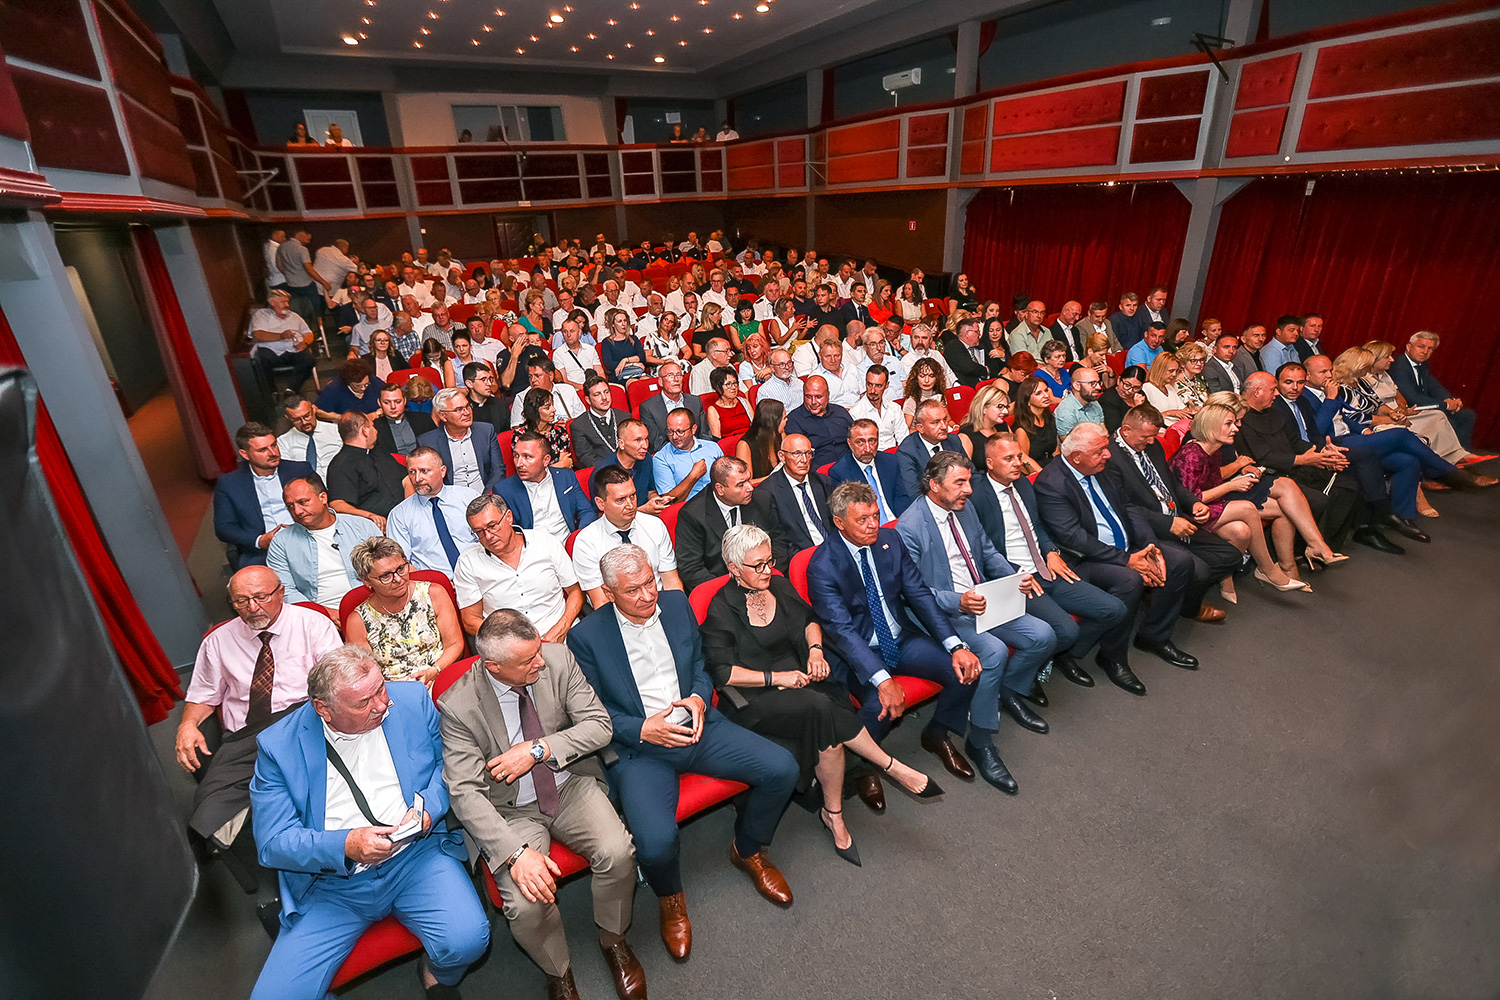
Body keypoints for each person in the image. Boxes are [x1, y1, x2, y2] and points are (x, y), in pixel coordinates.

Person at [565, 546, 799, 960]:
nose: (647, 595)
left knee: (783, 768)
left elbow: (700, 666)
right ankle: (670, 897)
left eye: (650, 582)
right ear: (608, 593)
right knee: (655, 844)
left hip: (699, 728)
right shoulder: (587, 637)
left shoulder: (675, 604)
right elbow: (592, 712)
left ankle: (748, 848)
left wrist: (697, 698)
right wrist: (642, 729)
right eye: (633, 590)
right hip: (642, 749)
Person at [248, 645, 489, 999]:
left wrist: (428, 808)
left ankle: (437, 974)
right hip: (332, 886)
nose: (382, 704)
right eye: (364, 702)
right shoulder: (278, 747)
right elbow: (273, 843)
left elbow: (451, 764)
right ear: (323, 709)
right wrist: (345, 845)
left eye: (381, 688)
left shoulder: (411, 700)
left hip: (416, 859)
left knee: (468, 940)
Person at [438, 610, 644, 1000]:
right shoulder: (459, 705)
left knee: (618, 852)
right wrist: (515, 854)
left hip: (568, 785)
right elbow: (464, 793)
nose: (540, 662)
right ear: (494, 667)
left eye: (538, 651)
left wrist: (538, 749)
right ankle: (558, 971)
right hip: (508, 811)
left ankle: (613, 938)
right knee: (527, 903)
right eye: (528, 660)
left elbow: (599, 725)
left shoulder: (557, 658)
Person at [702, 524, 940, 862]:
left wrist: (815, 651)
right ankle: (890, 766)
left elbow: (809, 619)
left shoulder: (777, 584)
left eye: (769, 561)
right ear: (734, 568)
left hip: (800, 679)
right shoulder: (721, 607)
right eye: (757, 565)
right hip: (754, 697)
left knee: (826, 721)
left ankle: (833, 814)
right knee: (821, 706)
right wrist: (777, 678)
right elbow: (723, 673)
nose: (767, 570)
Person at [806, 480, 984, 789]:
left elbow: (920, 595)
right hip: (859, 652)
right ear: (839, 523)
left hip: (900, 638)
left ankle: (937, 733)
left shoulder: (890, 541)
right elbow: (843, 632)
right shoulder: (822, 565)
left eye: (875, 515)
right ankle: (861, 767)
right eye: (862, 519)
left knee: (964, 670)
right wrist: (883, 680)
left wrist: (956, 645)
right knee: (879, 706)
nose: (873, 524)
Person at [895, 453, 1058, 782]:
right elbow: (913, 593)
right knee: (993, 652)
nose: (969, 490)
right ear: (934, 485)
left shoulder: (964, 508)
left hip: (984, 597)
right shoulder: (909, 527)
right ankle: (981, 742)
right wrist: (959, 601)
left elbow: (986, 552)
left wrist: (1014, 576)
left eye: (969, 481)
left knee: (1043, 636)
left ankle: (1005, 691)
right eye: (960, 483)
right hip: (946, 611)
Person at [178, 566, 340, 849]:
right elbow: (203, 695)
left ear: (281, 593)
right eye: (242, 601)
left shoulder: (313, 625)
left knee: (296, 794)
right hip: (246, 740)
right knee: (209, 811)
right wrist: (187, 724)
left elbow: (336, 685)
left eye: (261, 597)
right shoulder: (218, 641)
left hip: (304, 726)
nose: (252, 608)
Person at [1033, 423, 1201, 694]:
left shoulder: (1101, 467)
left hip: (1126, 544)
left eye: (1106, 448)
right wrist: (1127, 559)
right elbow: (1075, 538)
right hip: (1085, 559)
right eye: (1099, 451)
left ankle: (1154, 636)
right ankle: (1112, 657)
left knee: (1179, 562)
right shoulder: (1051, 483)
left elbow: (1129, 507)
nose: (1108, 454)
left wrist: (1150, 546)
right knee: (1129, 579)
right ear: (1076, 457)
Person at [969, 434, 1129, 689]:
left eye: (1018, 457)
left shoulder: (1022, 484)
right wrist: (1016, 573)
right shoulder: (976, 497)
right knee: (1066, 631)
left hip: (1046, 568)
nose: (1017, 463)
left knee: (1113, 609)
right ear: (989, 463)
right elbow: (981, 551)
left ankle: (1060, 657)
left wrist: (1051, 552)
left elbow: (1038, 527)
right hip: (1016, 579)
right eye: (1008, 458)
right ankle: (1013, 682)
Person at [1169, 402, 1337, 588]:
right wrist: (1233, 484)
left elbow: (1214, 482)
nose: (1236, 428)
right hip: (1188, 513)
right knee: (1248, 509)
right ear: (1212, 425)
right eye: (1229, 424)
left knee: (1282, 510)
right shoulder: (1193, 454)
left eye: (1236, 422)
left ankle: (1288, 568)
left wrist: (1239, 475)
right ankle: (1268, 570)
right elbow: (1191, 501)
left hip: (1211, 504)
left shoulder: (1212, 451)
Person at [1104, 406, 1245, 613]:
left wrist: (1193, 503)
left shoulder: (1152, 446)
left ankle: (1174, 595)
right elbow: (1124, 509)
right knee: (1199, 571)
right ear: (1126, 430)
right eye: (1145, 437)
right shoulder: (1109, 458)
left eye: (1153, 436)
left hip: (1176, 516)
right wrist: (1168, 524)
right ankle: (1185, 606)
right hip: (1147, 529)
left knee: (1231, 556)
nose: (1151, 442)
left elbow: (1171, 484)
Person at [1238, 369, 1368, 554]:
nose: (1276, 394)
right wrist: (1304, 460)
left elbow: (1294, 441)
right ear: (1257, 392)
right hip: (1273, 473)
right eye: (1273, 389)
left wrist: (1322, 453)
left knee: (1348, 486)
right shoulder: (1242, 419)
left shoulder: (1273, 412)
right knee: (1318, 500)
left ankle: (1327, 546)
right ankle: (1302, 550)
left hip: (1294, 465)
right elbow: (1263, 457)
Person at [455, 494, 584, 645]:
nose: (488, 536)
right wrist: (506, 642)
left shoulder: (545, 542)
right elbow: (471, 620)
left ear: (509, 517)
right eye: (479, 532)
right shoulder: (468, 562)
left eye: (493, 526)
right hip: (507, 645)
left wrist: (562, 627)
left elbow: (575, 591)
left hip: (561, 633)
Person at [344, 536, 464, 685]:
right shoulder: (358, 621)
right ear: (366, 581)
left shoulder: (433, 593)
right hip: (393, 689)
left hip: (441, 676)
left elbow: (455, 644)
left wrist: (434, 671)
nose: (399, 579)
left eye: (401, 568)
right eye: (386, 576)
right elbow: (366, 674)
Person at [266, 474, 380, 613]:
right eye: (290, 506)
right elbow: (286, 591)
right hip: (315, 614)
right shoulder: (281, 542)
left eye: (303, 502)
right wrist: (324, 613)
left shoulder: (362, 527)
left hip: (372, 605)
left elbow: (387, 569)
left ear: (323, 498)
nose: (297, 511)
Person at [572, 466, 683, 607]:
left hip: (660, 604)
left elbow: (671, 581)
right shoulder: (586, 542)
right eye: (621, 500)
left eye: (632, 496)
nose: (630, 505)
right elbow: (602, 602)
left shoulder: (654, 525)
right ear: (601, 503)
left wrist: (677, 611)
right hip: (618, 614)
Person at [215, 423, 314, 570]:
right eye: (263, 450)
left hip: (307, 540)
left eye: (274, 445)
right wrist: (259, 540)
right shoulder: (230, 484)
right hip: (263, 553)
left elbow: (324, 502)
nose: (273, 453)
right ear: (245, 454)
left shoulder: (300, 470)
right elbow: (224, 528)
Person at [674, 456, 780, 593]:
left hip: (764, 578)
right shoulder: (693, 515)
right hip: (720, 589)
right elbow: (691, 569)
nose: (750, 488)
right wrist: (729, 593)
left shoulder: (761, 499)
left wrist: (766, 574)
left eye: (748, 480)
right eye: (741, 485)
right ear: (720, 489)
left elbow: (778, 542)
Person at [1366, 339, 1478, 464]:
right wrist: (1395, 414)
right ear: (1374, 358)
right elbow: (1371, 407)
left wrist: (1402, 407)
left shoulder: (1384, 375)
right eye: (1387, 357)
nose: (1392, 359)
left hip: (1401, 412)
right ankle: (1440, 461)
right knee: (1440, 417)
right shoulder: (1365, 379)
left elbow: (1399, 395)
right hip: (1387, 418)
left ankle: (1456, 455)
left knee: (1437, 415)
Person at [385, 446, 481, 573]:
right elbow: (401, 564)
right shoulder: (399, 515)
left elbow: (489, 537)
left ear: (442, 471)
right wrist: (436, 583)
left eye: (424, 471)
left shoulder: (468, 497)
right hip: (436, 582)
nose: (417, 479)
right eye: (412, 472)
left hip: (480, 572)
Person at [748, 434, 832, 567]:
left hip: (834, 550)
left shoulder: (823, 482)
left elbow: (837, 523)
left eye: (808, 453)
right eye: (797, 454)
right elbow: (778, 542)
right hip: (803, 561)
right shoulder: (767, 493)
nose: (804, 460)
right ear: (782, 456)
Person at [493, 430, 596, 535]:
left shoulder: (565, 477)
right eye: (516, 456)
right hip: (533, 544)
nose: (519, 464)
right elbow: (510, 534)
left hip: (568, 541)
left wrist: (578, 538)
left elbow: (586, 511)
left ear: (546, 460)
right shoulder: (504, 490)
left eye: (527, 457)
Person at [1388, 330, 1478, 448]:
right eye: (1421, 347)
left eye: (1430, 349)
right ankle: (1448, 454)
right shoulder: (1399, 366)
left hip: (1425, 406)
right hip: (1410, 410)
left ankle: (1462, 452)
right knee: (1448, 419)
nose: (1425, 352)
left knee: (1468, 415)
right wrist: (1445, 405)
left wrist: (1451, 400)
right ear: (1409, 347)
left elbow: (1434, 386)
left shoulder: (1422, 364)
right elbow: (1412, 397)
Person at [326, 411, 409, 526]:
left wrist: (409, 510)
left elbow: (406, 479)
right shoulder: (340, 464)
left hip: (404, 518)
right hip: (374, 526)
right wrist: (369, 516)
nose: (376, 431)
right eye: (373, 426)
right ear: (365, 430)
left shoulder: (378, 451)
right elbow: (337, 504)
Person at [418, 387, 506, 492]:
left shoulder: (486, 431)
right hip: (450, 498)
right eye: (459, 409)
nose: (467, 412)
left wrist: (486, 496)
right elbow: (429, 481)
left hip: (485, 494)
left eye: (467, 406)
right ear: (443, 416)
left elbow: (498, 470)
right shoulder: (427, 443)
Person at [247, 288, 317, 392]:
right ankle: (271, 392)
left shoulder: (294, 316)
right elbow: (257, 335)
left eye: (287, 301)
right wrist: (281, 336)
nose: (287, 305)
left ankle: (291, 390)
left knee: (309, 360)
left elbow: (308, 333)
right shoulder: (261, 315)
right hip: (271, 351)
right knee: (261, 359)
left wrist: (305, 343)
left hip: (293, 350)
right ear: (272, 302)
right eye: (283, 302)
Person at [897, 398, 966, 500]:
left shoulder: (953, 440)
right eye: (936, 422)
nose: (944, 426)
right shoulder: (907, 452)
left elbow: (971, 473)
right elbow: (915, 494)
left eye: (945, 419)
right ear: (921, 428)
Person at [597, 419, 671, 511]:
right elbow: (605, 514)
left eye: (646, 439)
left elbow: (650, 491)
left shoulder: (646, 458)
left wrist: (656, 501)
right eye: (637, 440)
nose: (645, 446)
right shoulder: (604, 471)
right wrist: (643, 510)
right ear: (621, 444)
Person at [653, 407, 721, 502]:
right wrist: (693, 476)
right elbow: (668, 501)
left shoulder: (712, 447)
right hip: (688, 507)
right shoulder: (661, 458)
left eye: (680, 432)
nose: (674, 437)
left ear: (693, 429)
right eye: (670, 432)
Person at [638, 361, 703, 452]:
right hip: (669, 454)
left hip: (698, 451)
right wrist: (683, 453)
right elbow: (657, 444)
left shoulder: (695, 401)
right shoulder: (648, 408)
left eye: (679, 375)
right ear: (660, 382)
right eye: (670, 375)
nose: (676, 379)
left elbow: (705, 435)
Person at [570, 376, 629, 470]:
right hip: (602, 472)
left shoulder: (625, 417)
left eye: (606, 392)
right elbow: (587, 459)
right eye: (597, 394)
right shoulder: (578, 426)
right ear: (588, 400)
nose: (604, 397)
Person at [849, 365, 907, 451]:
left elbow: (904, 439)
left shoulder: (895, 408)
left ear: (887, 385)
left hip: (895, 453)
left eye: (878, 386)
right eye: (869, 384)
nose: (873, 390)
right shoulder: (855, 413)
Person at [1011, 377, 1059, 475]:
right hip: (1036, 474)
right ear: (1027, 401)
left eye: (1046, 390)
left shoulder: (1049, 418)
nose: (1046, 395)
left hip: (1053, 467)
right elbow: (1023, 463)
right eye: (1038, 393)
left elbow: (1056, 451)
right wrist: (1045, 476)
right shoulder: (1021, 430)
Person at [315, 358, 385, 422]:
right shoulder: (334, 389)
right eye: (358, 386)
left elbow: (390, 397)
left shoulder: (373, 381)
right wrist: (343, 418)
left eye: (366, 384)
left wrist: (377, 413)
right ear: (348, 382)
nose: (363, 388)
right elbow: (318, 412)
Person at [956, 383, 1011, 463]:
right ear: (984, 408)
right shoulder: (966, 434)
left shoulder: (1002, 426)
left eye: (1006, 407)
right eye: (1000, 407)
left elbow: (1020, 455)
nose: (1006, 412)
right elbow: (966, 468)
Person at [737, 398, 785, 480]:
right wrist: (775, 478)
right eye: (784, 418)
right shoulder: (744, 445)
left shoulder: (781, 435)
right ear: (773, 422)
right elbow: (746, 482)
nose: (787, 420)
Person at [1054, 365, 1105, 439]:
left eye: (1098, 382)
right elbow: (1069, 444)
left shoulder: (1094, 403)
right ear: (1077, 386)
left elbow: (1104, 433)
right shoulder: (1065, 412)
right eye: (1092, 383)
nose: (1098, 387)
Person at [1141, 352, 1193, 423]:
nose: (1174, 374)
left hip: (1177, 425)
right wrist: (1169, 413)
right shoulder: (1147, 388)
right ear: (1159, 369)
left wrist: (1191, 410)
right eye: (1171, 371)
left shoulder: (1169, 387)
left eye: (1176, 371)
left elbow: (1182, 409)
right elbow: (1147, 418)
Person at [704, 366, 753, 441]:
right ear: (718, 387)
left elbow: (755, 426)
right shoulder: (713, 410)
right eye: (728, 384)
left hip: (750, 440)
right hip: (730, 444)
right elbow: (717, 439)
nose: (733, 387)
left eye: (735, 383)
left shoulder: (744, 402)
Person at [943, 317, 991, 388]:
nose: (979, 334)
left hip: (983, 386)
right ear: (967, 333)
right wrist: (985, 370)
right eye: (977, 331)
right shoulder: (954, 346)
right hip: (966, 388)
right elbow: (969, 367)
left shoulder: (979, 346)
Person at [1100, 365, 1147, 434]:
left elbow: (1150, 416)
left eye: (1136, 387)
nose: (1130, 391)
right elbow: (1117, 429)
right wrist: (1136, 409)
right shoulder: (1108, 399)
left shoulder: (1139, 394)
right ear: (1119, 380)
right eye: (1127, 385)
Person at [462, 364, 507, 430]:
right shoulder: (462, 410)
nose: (489, 384)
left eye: (490, 379)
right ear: (469, 383)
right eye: (483, 379)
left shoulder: (501, 405)